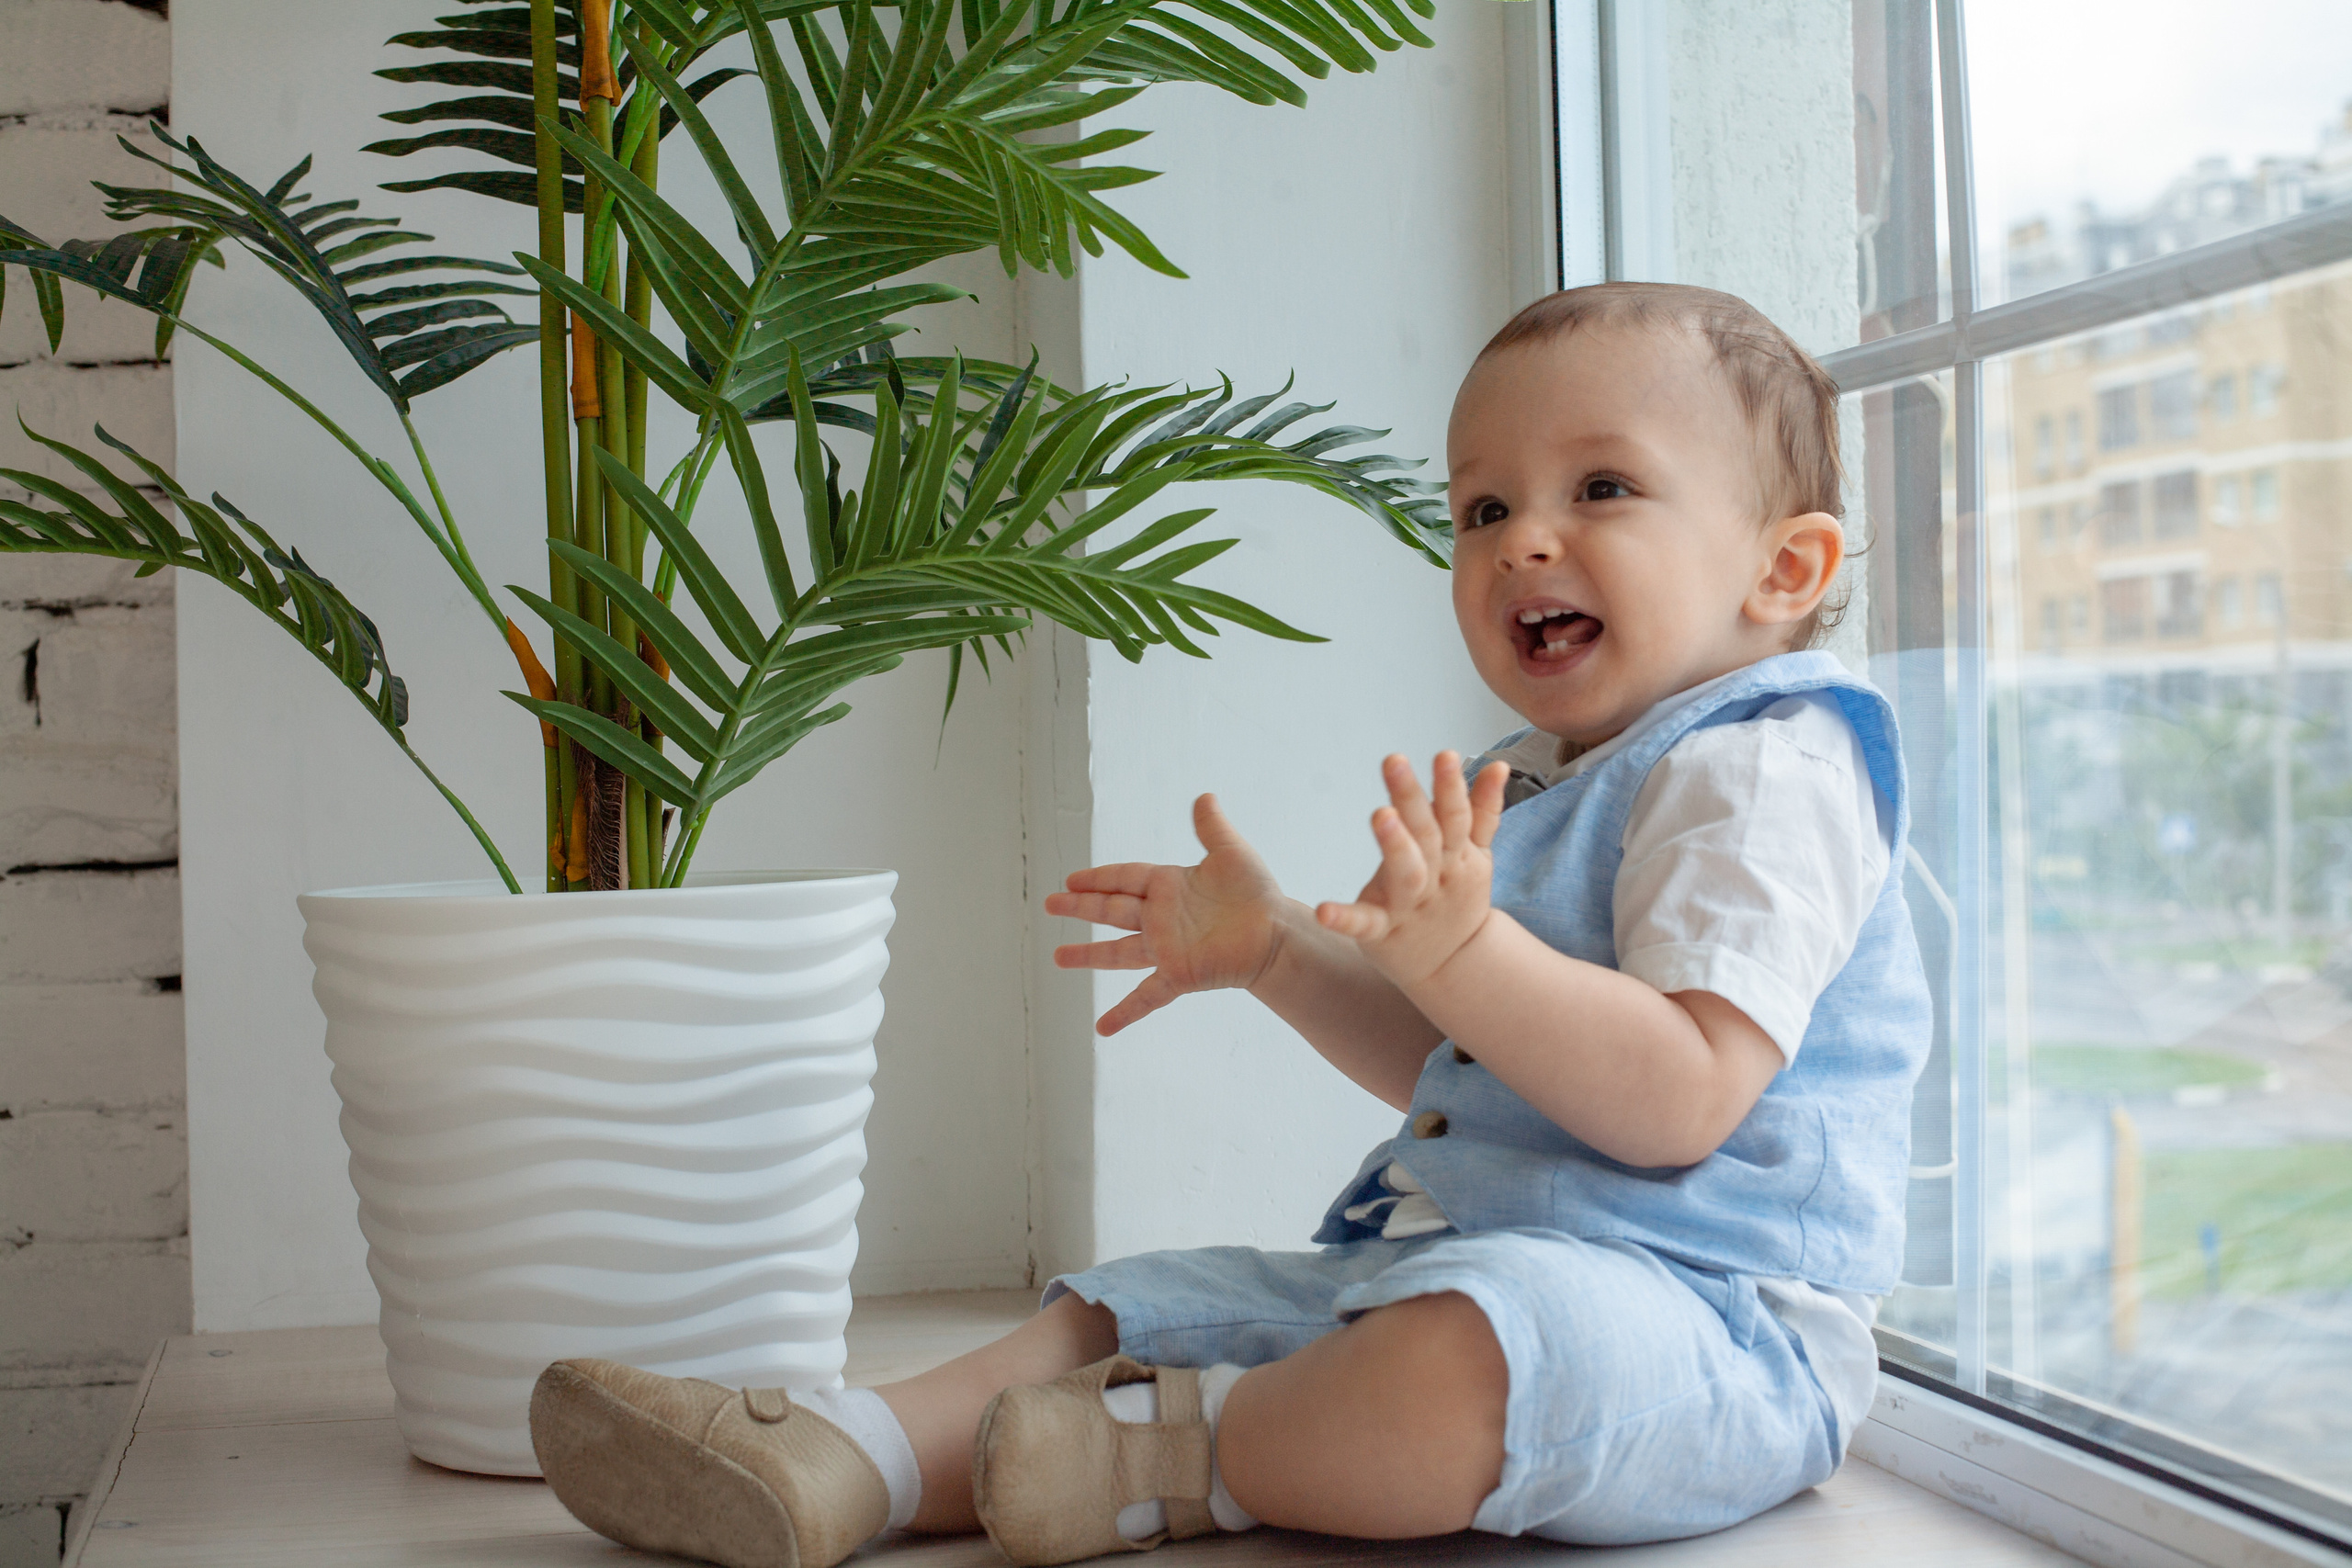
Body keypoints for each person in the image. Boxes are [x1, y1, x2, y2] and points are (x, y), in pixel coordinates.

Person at [524, 281, 1933, 1568]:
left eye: (1602, 486)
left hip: (1712, 1335)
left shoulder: (1767, 770)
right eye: (1482, 510)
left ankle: (1180, 1450)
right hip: (1468, 1260)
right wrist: (1277, 952)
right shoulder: (1554, 778)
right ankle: (847, 1456)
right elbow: (1463, 1069)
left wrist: (1465, 951)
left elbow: (1682, 1097)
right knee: (1140, 1305)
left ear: (1784, 572)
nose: (1522, 543)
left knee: (1458, 1367)